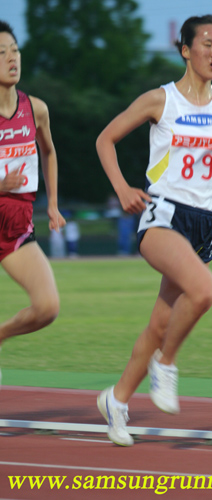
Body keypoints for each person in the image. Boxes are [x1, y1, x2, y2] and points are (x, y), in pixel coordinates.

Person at [96, 14, 212, 445]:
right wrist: (123, 187)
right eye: (207, 43)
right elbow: (105, 140)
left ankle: (117, 400)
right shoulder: (160, 100)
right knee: (204, 291)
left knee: (161, 322)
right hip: (164, 215)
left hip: (206, 222)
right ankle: (166, 364)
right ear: (185, 49)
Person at [0, 21, 66, 382]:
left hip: (15, 230)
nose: (12, 58)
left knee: (47, 307)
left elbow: (50, 152)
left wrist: (53, 203)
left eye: (15, 49)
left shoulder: (35, 109)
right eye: (1, 52)